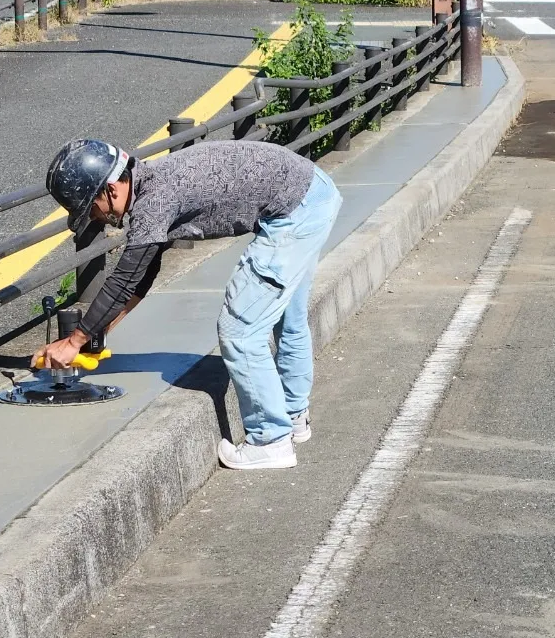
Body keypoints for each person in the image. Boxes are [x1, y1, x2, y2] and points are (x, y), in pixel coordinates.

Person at [40, 138, 343, 470]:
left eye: (90, 209)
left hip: (294, 212)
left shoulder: (154, 203)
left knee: (240, 330)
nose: (96, 219)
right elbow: (143, 275)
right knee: (289, 317)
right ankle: (293, 416)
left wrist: (75, 340)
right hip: (313, 194)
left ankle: (270, 440)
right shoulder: (151, 182)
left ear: (110, 190)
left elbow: (125, 278)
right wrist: (98, 334)